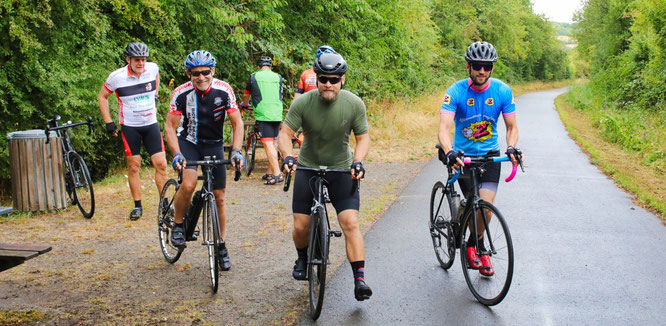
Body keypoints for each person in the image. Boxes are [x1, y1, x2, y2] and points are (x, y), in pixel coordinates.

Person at [278, 52, 373, 301]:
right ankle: (302, 257)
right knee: (300, 225)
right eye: (323, 79)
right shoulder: (303, 102)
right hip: (308, 166)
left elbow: (362, 137)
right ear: (316, 79)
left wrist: (358, 161)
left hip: (342, 168)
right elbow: (284, 134)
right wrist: (288, 157)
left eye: (333, 79)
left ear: (342, 80)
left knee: (350, 223)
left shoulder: (354, 104)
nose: (328, 84)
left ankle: (359, 279)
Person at [437, 41, 524, 277]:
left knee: (485, 208)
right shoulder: (455, 92)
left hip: (489, 157)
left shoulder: (502, 91)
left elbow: (511, 126)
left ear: (492, 68)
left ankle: (475, 245)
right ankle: (472, 240)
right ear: (468, 66)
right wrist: (449, 150)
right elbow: (444, 128)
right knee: (472, 201)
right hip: (462, 158)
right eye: (477, 66)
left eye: (487, 66)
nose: (482, 71)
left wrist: (512, 147)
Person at [164, 50, 244, 271]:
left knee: (219, 197)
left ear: (213, 71)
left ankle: (221, 245)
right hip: (189, 142)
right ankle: (178, 225)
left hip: (214, 143)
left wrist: (236, 151)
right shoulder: (181, 93)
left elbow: (238, 123)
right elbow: (170, 127)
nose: (201, 77)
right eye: (195, 73)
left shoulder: (224, 90)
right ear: (189, 73)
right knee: (189, 184)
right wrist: (177, 153)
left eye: (205, 72)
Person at [98, 42, 168, 220]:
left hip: (150, 124)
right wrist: (109, 122)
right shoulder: (117, 77)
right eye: (137, 60)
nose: (141, 63)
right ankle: (138, 206)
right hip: (130, 127)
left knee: (161, 163)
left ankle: (165, 204)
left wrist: (156, 94)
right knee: (134, 166)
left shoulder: (152, 69)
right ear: (128, 59)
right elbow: (102, 96)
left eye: (143, 60)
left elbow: (157, 76)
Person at [240, 56, 285, 185]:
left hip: (263, 113)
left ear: (258, 67)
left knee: (267, 144)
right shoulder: (278, 77)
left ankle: (277, 174)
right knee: (274, 143)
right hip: (277, 113)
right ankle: (270, 173)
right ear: (270, 67)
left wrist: (245, 104)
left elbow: (246, 94)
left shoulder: (254, 76)